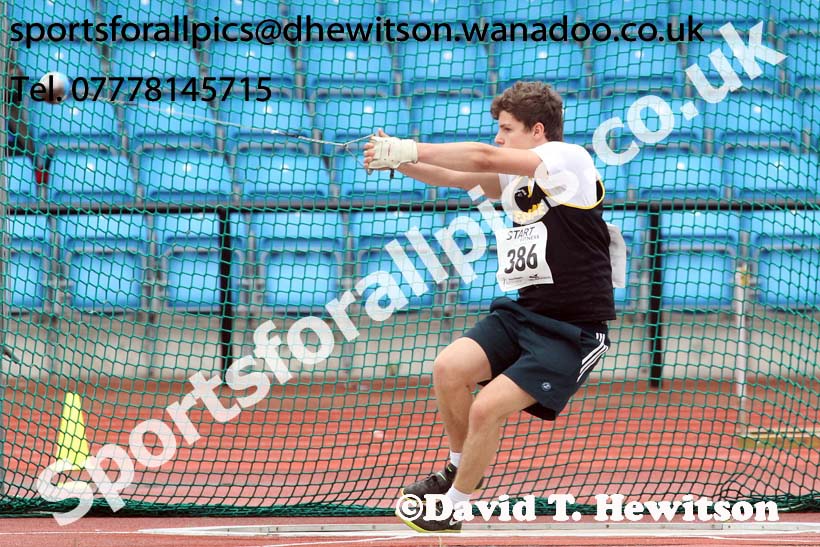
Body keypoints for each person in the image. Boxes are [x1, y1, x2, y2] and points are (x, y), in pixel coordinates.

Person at [363, 81, 618, 533]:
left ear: (537, 130)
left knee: (486, 408)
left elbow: (481, 157)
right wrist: (399, 162)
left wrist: (407, 146)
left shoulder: (569, 159)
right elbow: (454, 176)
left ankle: (456, 507)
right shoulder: (515, 177)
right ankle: (458, 469)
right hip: (523, 313)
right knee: (449, 369)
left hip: (573, 330)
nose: (499, 137)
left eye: (507, 129)